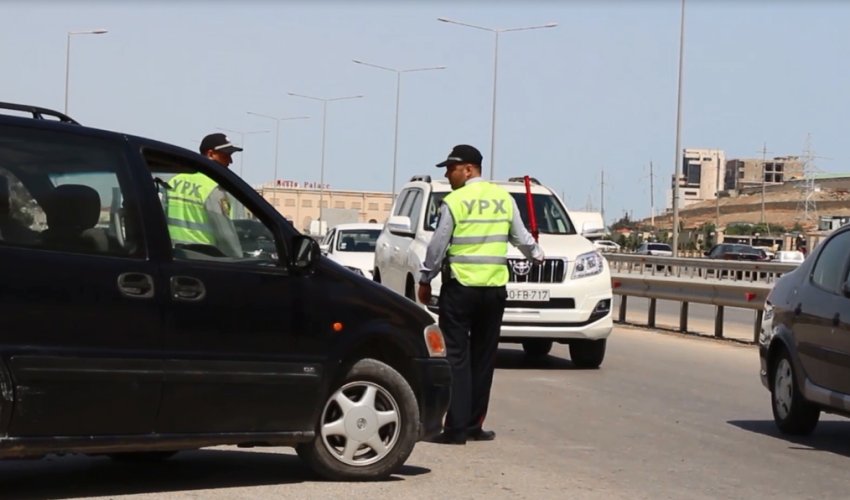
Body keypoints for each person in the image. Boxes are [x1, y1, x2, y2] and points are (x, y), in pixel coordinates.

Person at [418, 144, 544, 445]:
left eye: (451, 169)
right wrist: (537, 255)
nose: (448, 175)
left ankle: (457, 429)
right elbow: (522, 238)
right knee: (484, 359)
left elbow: (437, 246)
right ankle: (475, 425)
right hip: (493, 291)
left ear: (468, 169)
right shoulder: (503, 199)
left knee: (457, 358)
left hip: (461, 289)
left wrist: (426, 277)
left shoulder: (456, 200)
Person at [166, 133, 243, 257]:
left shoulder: (174, 180)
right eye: (226, 155)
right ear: (210, 154)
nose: (230, 161)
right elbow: (225, 235)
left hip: (173, 255)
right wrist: (238, 261)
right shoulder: (213, 187)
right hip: (204, 259)